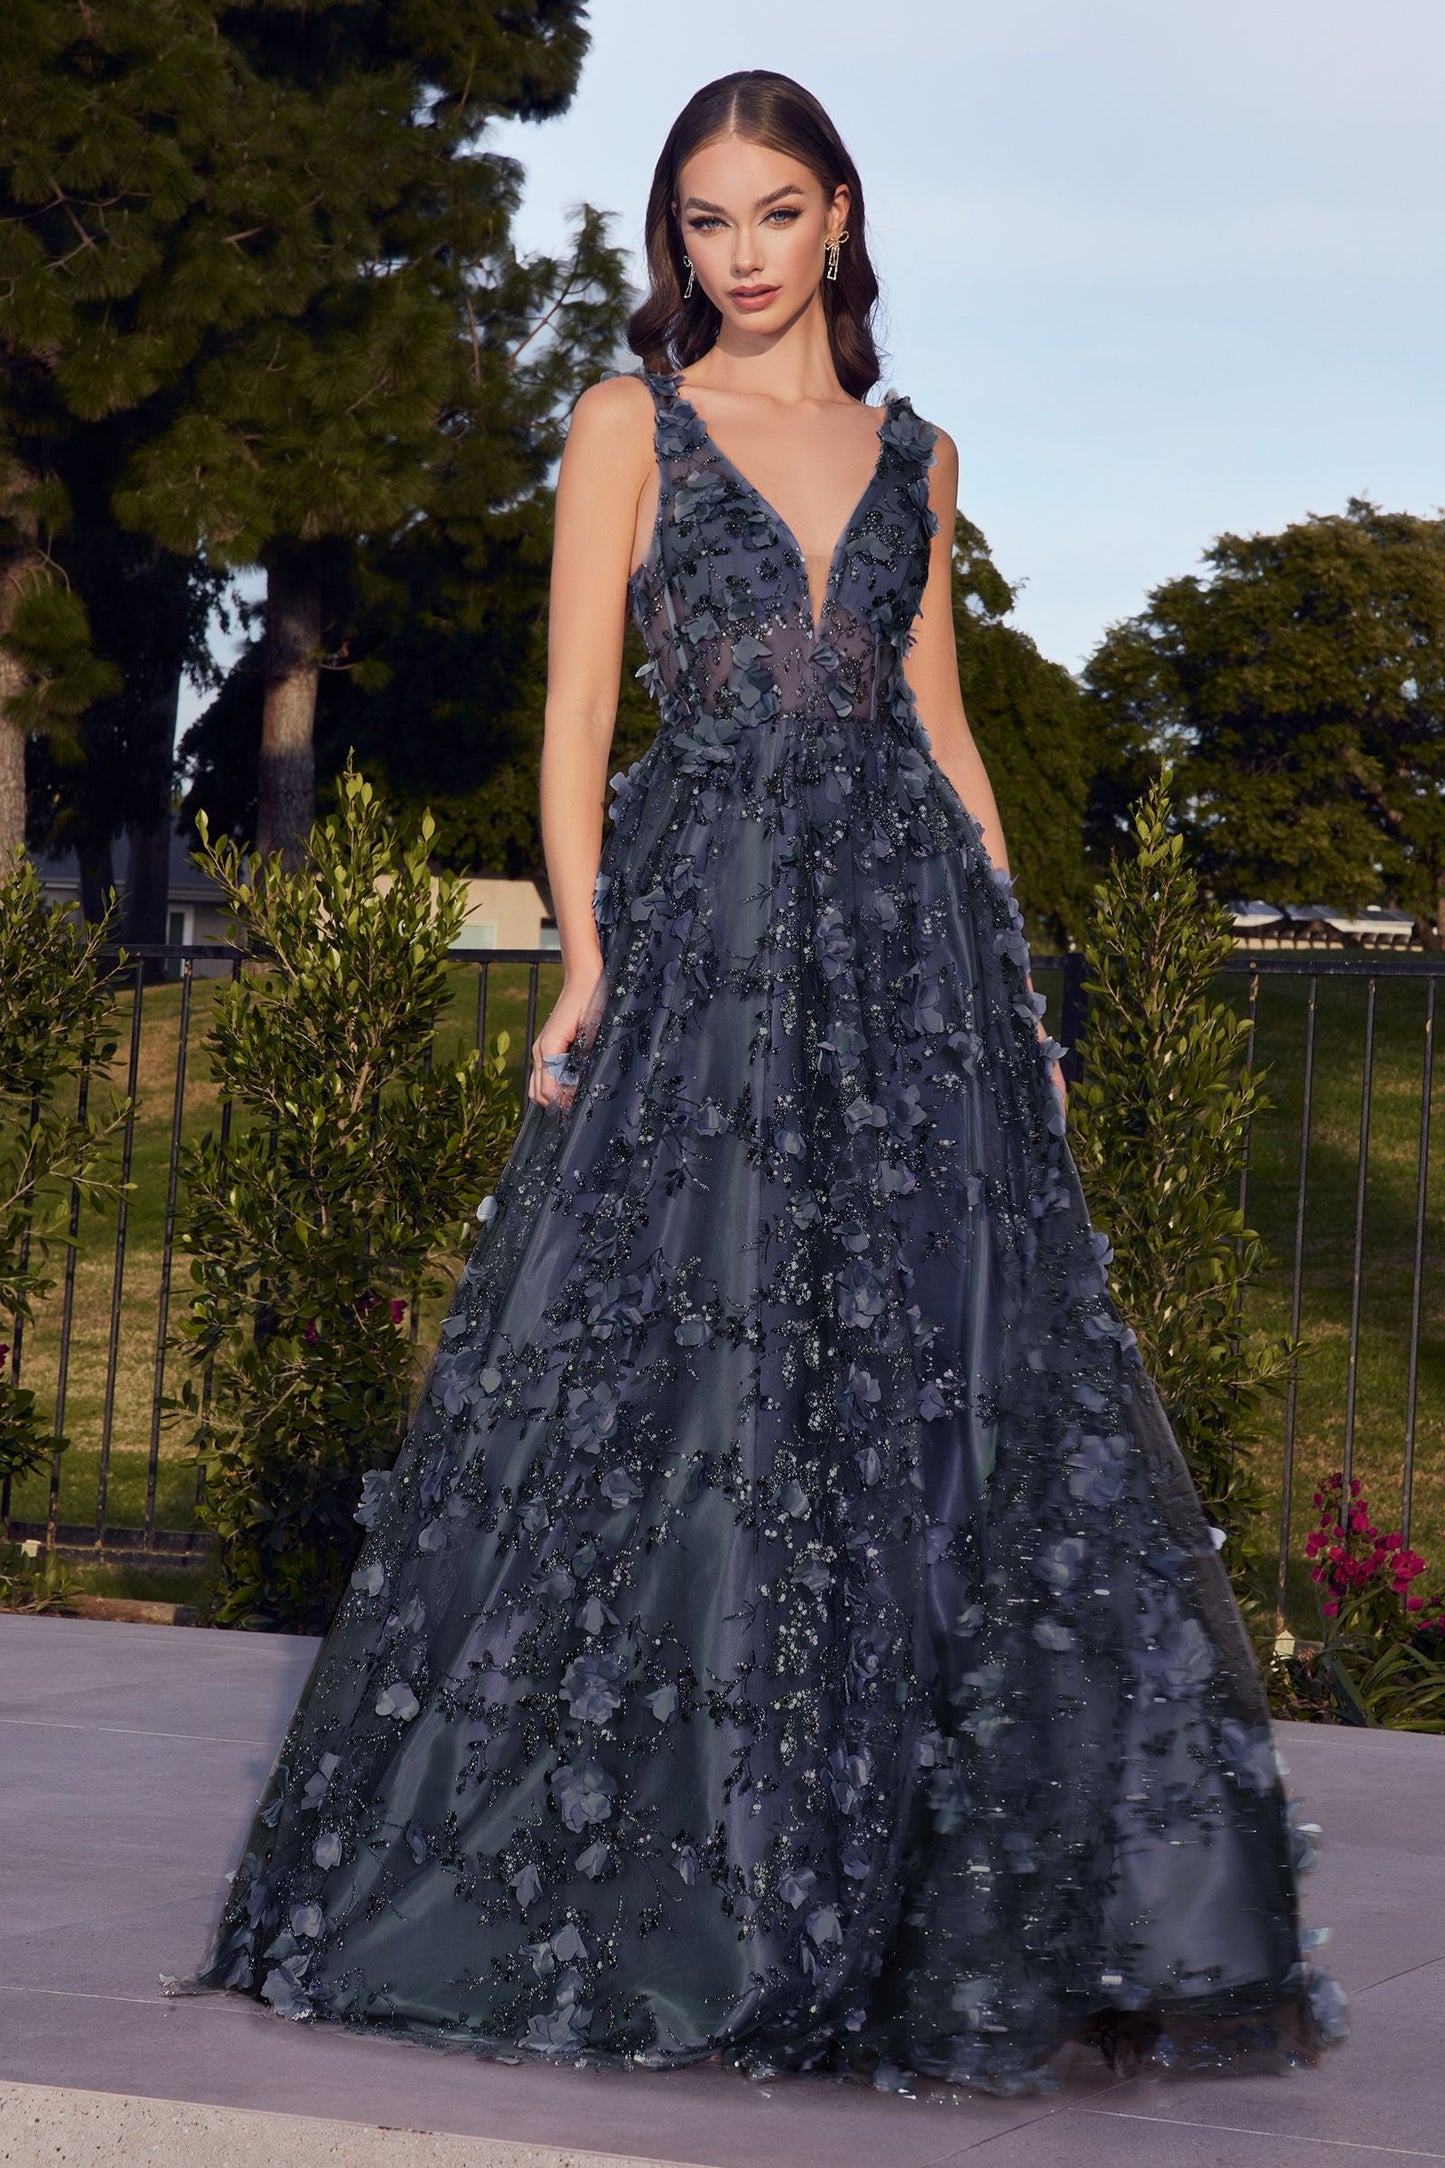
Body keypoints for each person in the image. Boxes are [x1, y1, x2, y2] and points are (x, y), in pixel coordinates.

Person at [169, 70, 1347, 2094]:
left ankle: (923, 1887)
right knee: (691, 1376)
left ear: (839, 217)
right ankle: (689, 1882)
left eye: (775, 213)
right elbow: (576, 711)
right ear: (677, 240)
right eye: (705, 221)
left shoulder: (916, 455)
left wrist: (1020, 1001)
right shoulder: (626, 423)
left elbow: (944, 734)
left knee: (928, 1390)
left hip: (913, 963)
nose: (741, 255)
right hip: (705, 937)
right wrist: (584, 955)